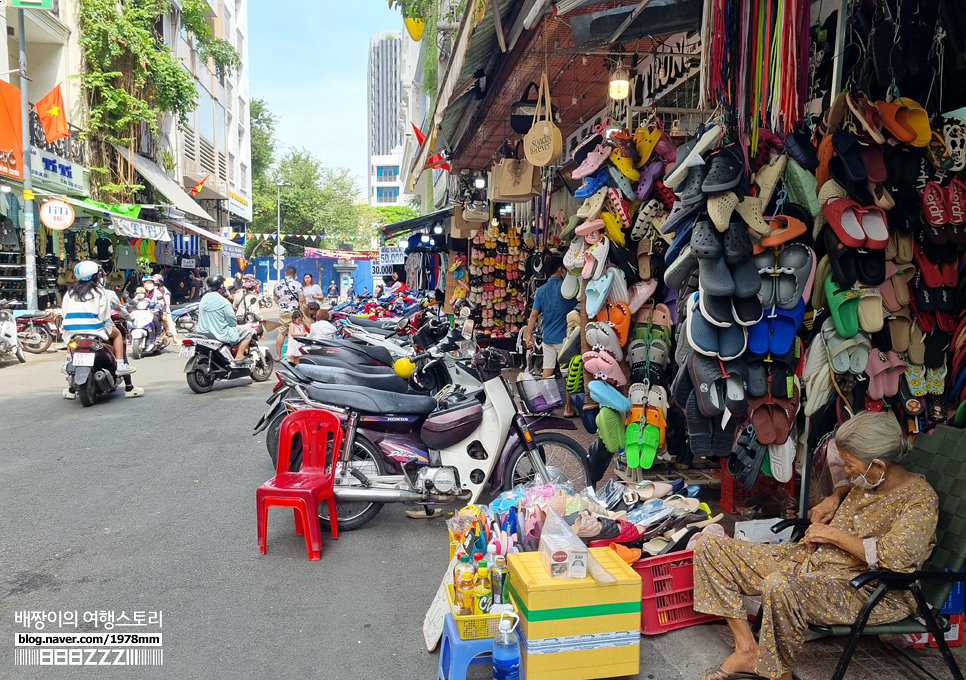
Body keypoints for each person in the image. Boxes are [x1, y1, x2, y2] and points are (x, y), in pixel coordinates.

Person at [692, 411, 938, 680]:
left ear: (878, 465)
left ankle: (779, 674)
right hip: (811, 563)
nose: (847, 471)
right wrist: (835, 496)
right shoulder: (869, 479)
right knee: (710, 548)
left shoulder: (919, 500)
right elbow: (849, 483)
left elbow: (894, 558)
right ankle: (747, 650)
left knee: (779, 585)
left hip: (864, 588)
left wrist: (831, 534)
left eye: (850, 464)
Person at [523, 256, 578, 416]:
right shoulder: (567, 289)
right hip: (564, 339)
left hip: (547, 338)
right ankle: (568, 408)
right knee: (567, 373)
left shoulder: (541, 290)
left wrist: (529, 335)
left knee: (547, 371)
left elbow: (533, 315)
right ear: (561, 268)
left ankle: (545, 406)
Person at [61, 261, 135, 377]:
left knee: (71, 338)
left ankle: (68, 361)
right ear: (96, 276)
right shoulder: (100, 292)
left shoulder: (69, 293)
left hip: (72, 329)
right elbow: (104, 316)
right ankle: (120, 365)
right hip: (94, 329)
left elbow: (64, 313)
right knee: (117, 335)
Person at [197, 275, 255, 366]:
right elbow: (232, 322)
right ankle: (239, 356)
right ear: (220, 287)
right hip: (219, 333)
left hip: (203, 332)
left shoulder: (204, 298)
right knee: (249, 331)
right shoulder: (223, 302)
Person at [273, 266, 304, 359]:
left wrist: (281, 304)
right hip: (295, 313)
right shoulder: (297, 284)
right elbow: (302, 300)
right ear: (295, 275)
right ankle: (292, 355)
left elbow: (275, 297)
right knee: (294, 333)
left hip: (283, 312)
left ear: (285, 273)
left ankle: (278, 355)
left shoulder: (277, 284)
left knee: (281, 332)